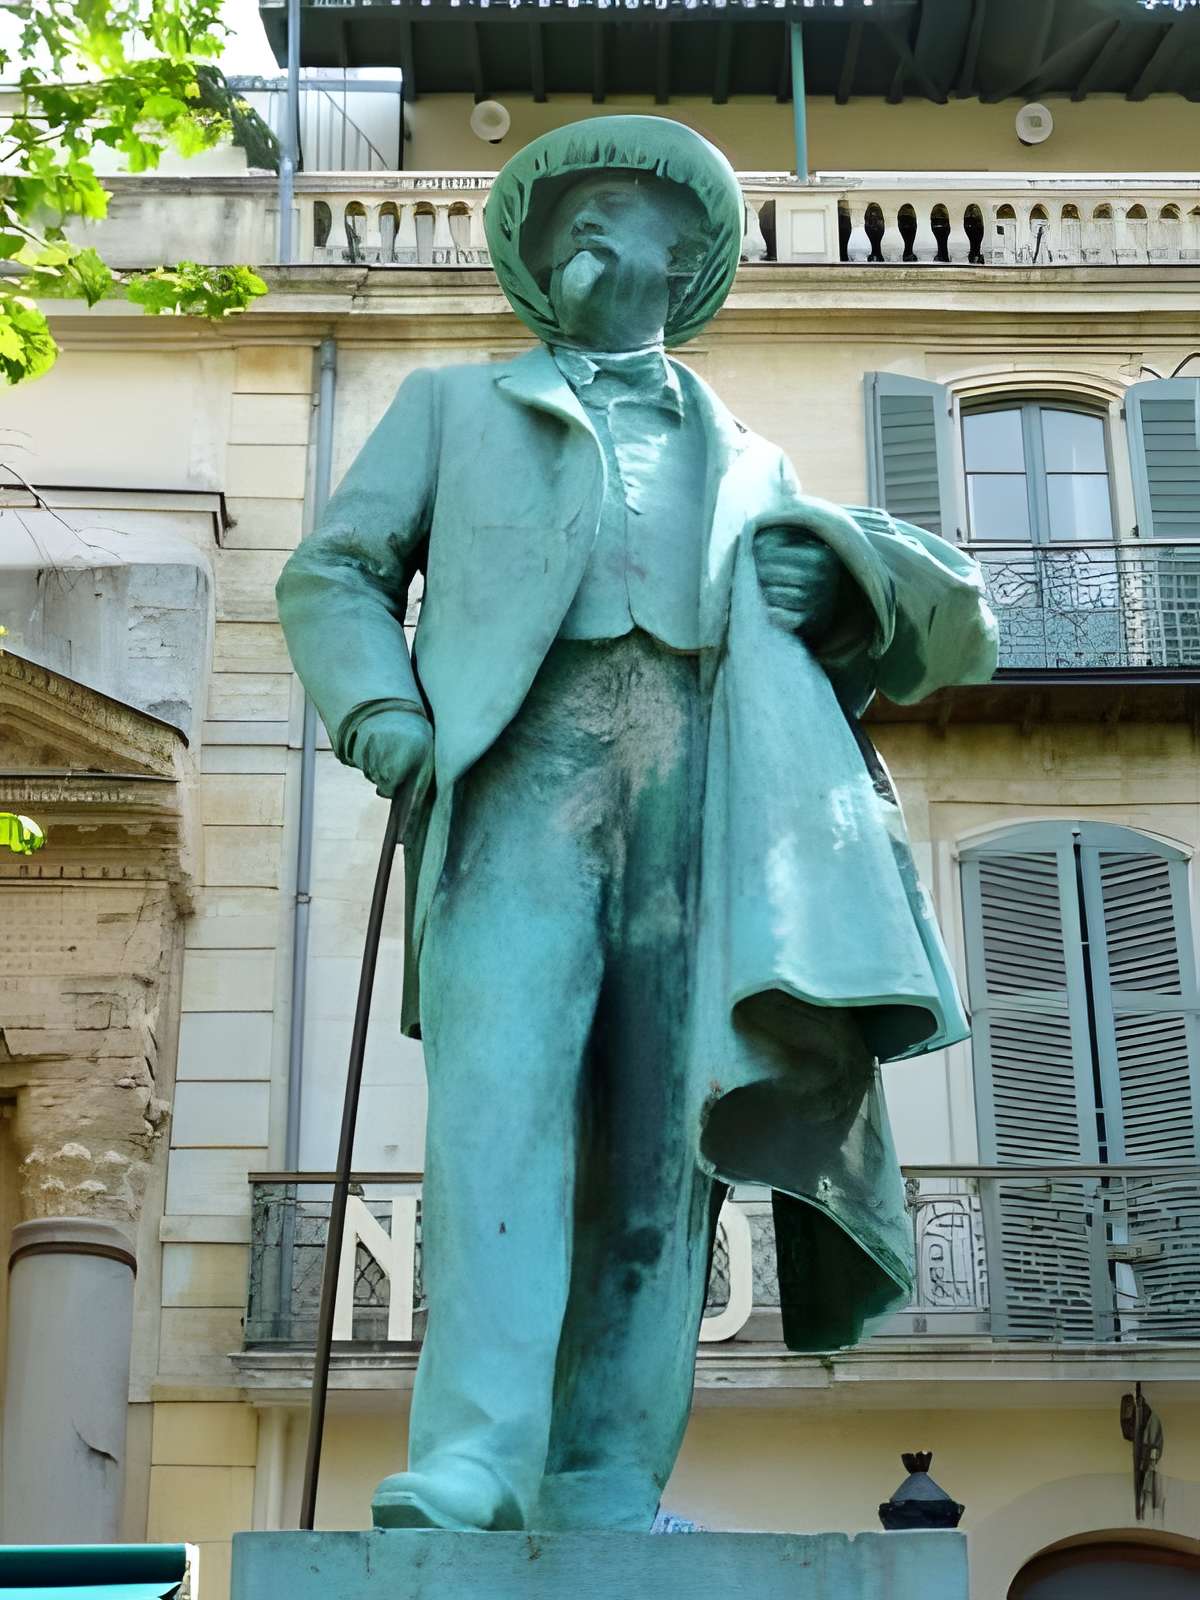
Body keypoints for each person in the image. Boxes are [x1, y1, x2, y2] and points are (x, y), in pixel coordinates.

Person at [276, 116, 998, 1536]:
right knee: (499, 1118)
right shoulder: (448, 406)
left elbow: (915, 634)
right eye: (570, 216)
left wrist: (830, 595)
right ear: (539, 263)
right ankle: (478, 1452)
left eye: (627, 210)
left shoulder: (752, 455)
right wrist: (381, 715)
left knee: (670, 1142)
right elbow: (334, 571)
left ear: (689, 256)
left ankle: (611, 1465)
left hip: (704, 807)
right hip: (515, 789)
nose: (592, 231)